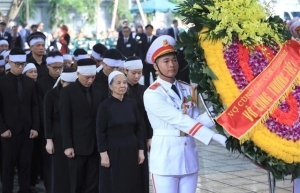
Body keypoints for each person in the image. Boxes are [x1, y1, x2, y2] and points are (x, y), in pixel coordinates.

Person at [143, 35, 227, 193]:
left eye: (174, 60)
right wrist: (213, 136)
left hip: (188, 159)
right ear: (155, 66)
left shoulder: (187, 88)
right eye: (166, 61)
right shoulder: (152, 93)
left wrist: (220, 108)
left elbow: (196, 120)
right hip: (165, 161)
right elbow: (179, 120)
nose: (171, 65)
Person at [60, 58, 105, 193]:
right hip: (77, 145)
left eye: (93, 77)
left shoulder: (100, 89)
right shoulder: (67, 92)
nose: (90, 81)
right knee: (77, 182)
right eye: (87, 77)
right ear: (78, 74)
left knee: (93, 183)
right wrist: (68, 145)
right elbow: (65, 120)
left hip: (96, 145)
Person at [96, 71, 144, 193]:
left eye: (124, 82)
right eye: (118, 83)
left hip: (131, 148)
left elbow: (139, 127)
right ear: (110, 86)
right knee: (115, 182)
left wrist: (141, 150)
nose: (122, 85)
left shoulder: (131, 103)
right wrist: (103, 153)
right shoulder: (105, 106)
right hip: (113, 149)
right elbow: (100, 131)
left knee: (131, 181)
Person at [0, 47, 39, 193]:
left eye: (22, 64)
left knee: (25, 166)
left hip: (27, 131)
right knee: (8, 167)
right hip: (8, 131)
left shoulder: (29, 83)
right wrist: (2, 129)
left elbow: (35, 106)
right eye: (17, 64)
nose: (20, 67)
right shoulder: (2, 82)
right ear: (9, 61)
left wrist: (35, 127)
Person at [44, 67, 77, 193]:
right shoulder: (51, 95)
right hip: (57, 136)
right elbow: (48, 119)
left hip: (74, 135)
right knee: (59, 169)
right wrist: (49, 139)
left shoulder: (75, 94)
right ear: (62, 82)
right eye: (68, 84)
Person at [35, 51, 63, 192]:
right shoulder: (41, 83)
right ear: (48, 66)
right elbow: (40, 109)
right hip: (46, 128)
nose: (58, 71)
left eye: (60, 67)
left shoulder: (67, 82)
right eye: (55, 68)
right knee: (48, 162)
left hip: (63, 129)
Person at [124, 56, 152, 193]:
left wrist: (149, 137)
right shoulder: (121, 90)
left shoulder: (144, 90)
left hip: (141, 133)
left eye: (139, 73)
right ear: (125, 71)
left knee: (142, 168)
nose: (137, 76)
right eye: (133, 73)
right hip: (126, 134)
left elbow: (147, 116)